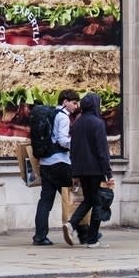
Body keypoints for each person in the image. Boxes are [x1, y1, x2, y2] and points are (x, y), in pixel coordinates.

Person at [63, 92, 114, 248]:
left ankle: (72, 224)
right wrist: (108, 173)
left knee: (90, 200)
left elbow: (74, 148)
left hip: (81, 169)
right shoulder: (97, 123)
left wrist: (74, 171)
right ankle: (92, 239)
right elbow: (102, 151)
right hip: (95, 169)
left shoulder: (77, 123)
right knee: (98, 202)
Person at [31, 90, 81, 246]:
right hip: (60, 164)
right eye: (74, 102)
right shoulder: (63, 117)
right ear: (65, 101)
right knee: (75, 198)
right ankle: (85, 232)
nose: (76, 106)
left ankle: (39, 236)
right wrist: (76, 143)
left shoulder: (51, 114)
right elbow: (62, 140)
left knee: (45, 201)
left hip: (46, 163)